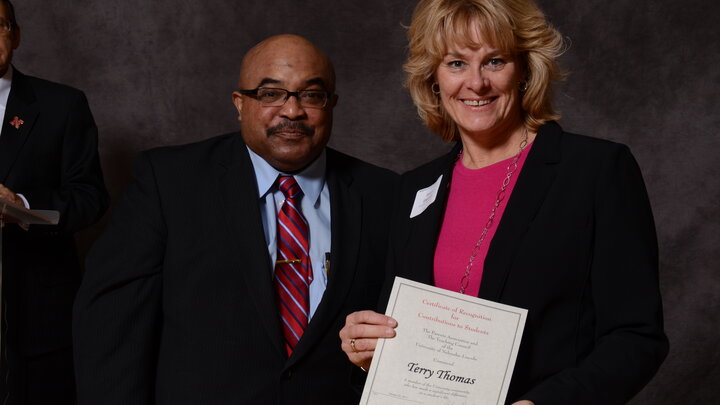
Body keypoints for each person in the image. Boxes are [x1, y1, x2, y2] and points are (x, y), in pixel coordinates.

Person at [339, 0, 668, 404]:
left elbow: (637, 337)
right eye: (456, 64)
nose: (476, 84)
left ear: (525, 70)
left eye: (495, 61)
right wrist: (368, 351)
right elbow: (400, 333)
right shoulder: (414, 189)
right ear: (434, 79)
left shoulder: (596, 171)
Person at [73, 34, 397, 405]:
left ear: (332, 105)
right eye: (270, 94)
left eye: (311, 95)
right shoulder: (169, 182)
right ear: (240, 104)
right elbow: (111, 326)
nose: (292, 111)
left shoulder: (385, 195)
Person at [0, 1, 109, 404]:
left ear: (15, 34)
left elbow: (90, 197)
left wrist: (21, 205)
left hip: (36, 315)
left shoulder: (62, 105)